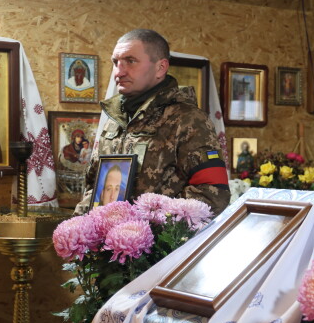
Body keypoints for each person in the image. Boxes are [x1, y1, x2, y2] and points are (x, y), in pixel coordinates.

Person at [75, 29, 230, 214]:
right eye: (116, 62)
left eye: (131, 61)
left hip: (159, 232)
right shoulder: (115, 121)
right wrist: (78, 225)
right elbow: (94, 188)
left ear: (160, 68)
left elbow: (213, 194)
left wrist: (151, 225)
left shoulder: (188, 120)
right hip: (108, 231)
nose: (119, 72)